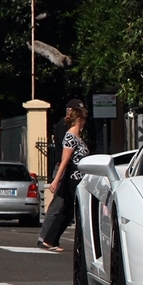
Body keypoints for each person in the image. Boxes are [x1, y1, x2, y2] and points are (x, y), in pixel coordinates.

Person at [37, 98, 85, 248]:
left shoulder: (75, 133)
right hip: (66, 171)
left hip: (72, 173)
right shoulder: (65, 129)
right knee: (59, 205)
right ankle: (45, 238)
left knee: (66, 207)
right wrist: (57, 180)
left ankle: (50, 238)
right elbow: (65, 158)